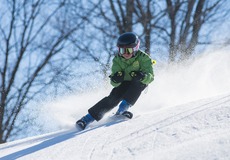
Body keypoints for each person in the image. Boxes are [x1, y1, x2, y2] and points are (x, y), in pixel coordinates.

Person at [76, 32, 154, 130]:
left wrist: (143, 76)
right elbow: (114, 83)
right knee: (113, 97)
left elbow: (151, 77)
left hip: (138, 81)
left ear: (135, 48)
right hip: (124, 83)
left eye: (129, 50)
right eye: (122, 50)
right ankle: (86, 119)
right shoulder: (117, 60)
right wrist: (116, 79)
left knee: (137, 84)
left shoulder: (144, 58)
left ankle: (122, 110)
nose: (125, 53)